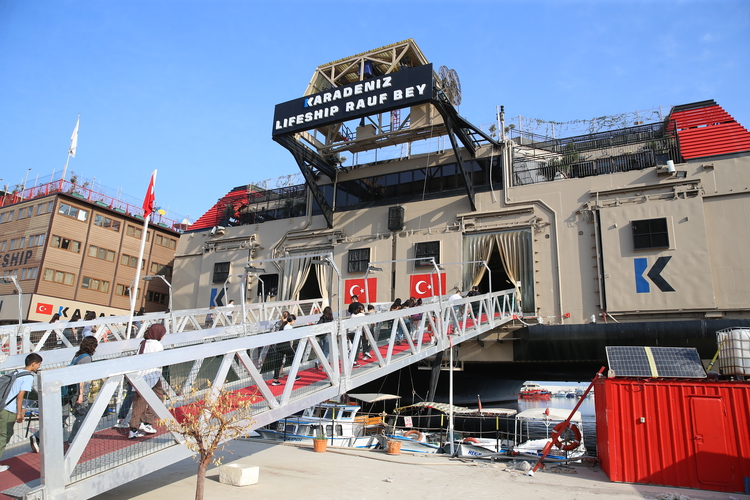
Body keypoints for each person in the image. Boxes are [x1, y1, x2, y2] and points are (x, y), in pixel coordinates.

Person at [1, 353, 42, 472]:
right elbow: (21, 395)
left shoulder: (17, 372)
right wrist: (19, 412)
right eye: (38, 364)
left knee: (3, 434)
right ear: (33, 363)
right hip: (9, 410)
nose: (38, 367)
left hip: (2, 406)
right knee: (4, 436)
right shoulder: (28, 377)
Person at [128, 324, 166, 439]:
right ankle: (146, 422)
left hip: (140, 376)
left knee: (139, 403)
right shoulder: (157, 345)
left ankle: (134, 429)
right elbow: (160, 361)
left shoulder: (143, 343)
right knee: (158, 398)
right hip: (152, 375)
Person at [66, 336, 99, 443]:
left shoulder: (78, 355)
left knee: (63, 414)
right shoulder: (87, 358)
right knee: (83, 414)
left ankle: (38, 437)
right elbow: (82, 377)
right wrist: (81, 394)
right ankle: (74, 438)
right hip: (80, 390)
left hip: (71, 388)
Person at [270, 314, 298, 386]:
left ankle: (275, 380)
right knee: (294, 359)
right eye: (294, 320)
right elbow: (290, 336)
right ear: (291, 320)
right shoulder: (289, 327)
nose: (294, 322)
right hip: (285, 346)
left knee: (278, 363)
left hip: (279, 346)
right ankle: (294, 376)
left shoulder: (283, 325)